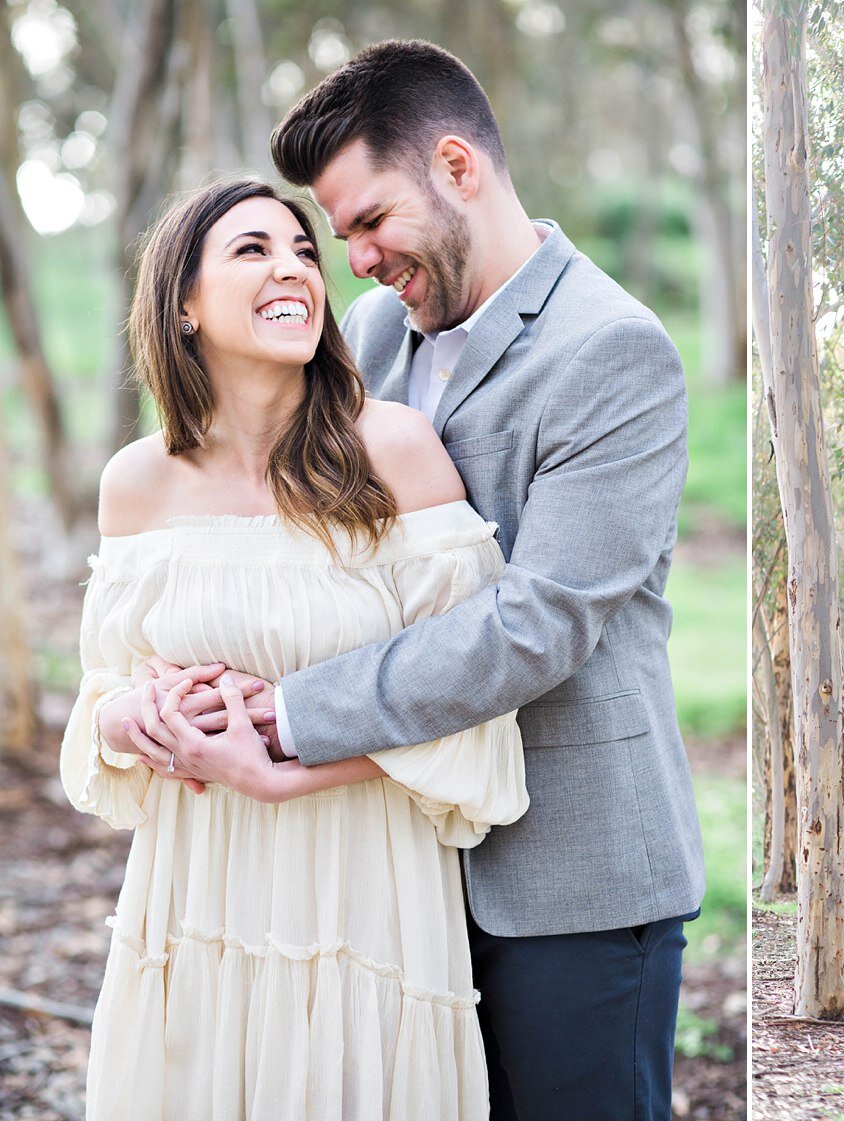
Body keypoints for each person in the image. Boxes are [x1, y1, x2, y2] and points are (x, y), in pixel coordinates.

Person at [104, 40, 706, 1121]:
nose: (358, 260)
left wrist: (286, 713)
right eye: (339, 237)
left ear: (458, 167)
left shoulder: (613, 350)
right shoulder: (374, 335)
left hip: (564, 872)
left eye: (370, 221)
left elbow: (540, 622)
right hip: (385, 871)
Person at [63, 179, 528, 1119]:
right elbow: (100, 700)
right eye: (251, 250)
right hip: (193, 894)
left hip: (364, 893)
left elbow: (476, 700)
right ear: (182, 304)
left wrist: (278, 767)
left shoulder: (393, 452)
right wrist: (139, 716)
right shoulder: (137, 484)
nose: (293, 269)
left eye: (304, 250)